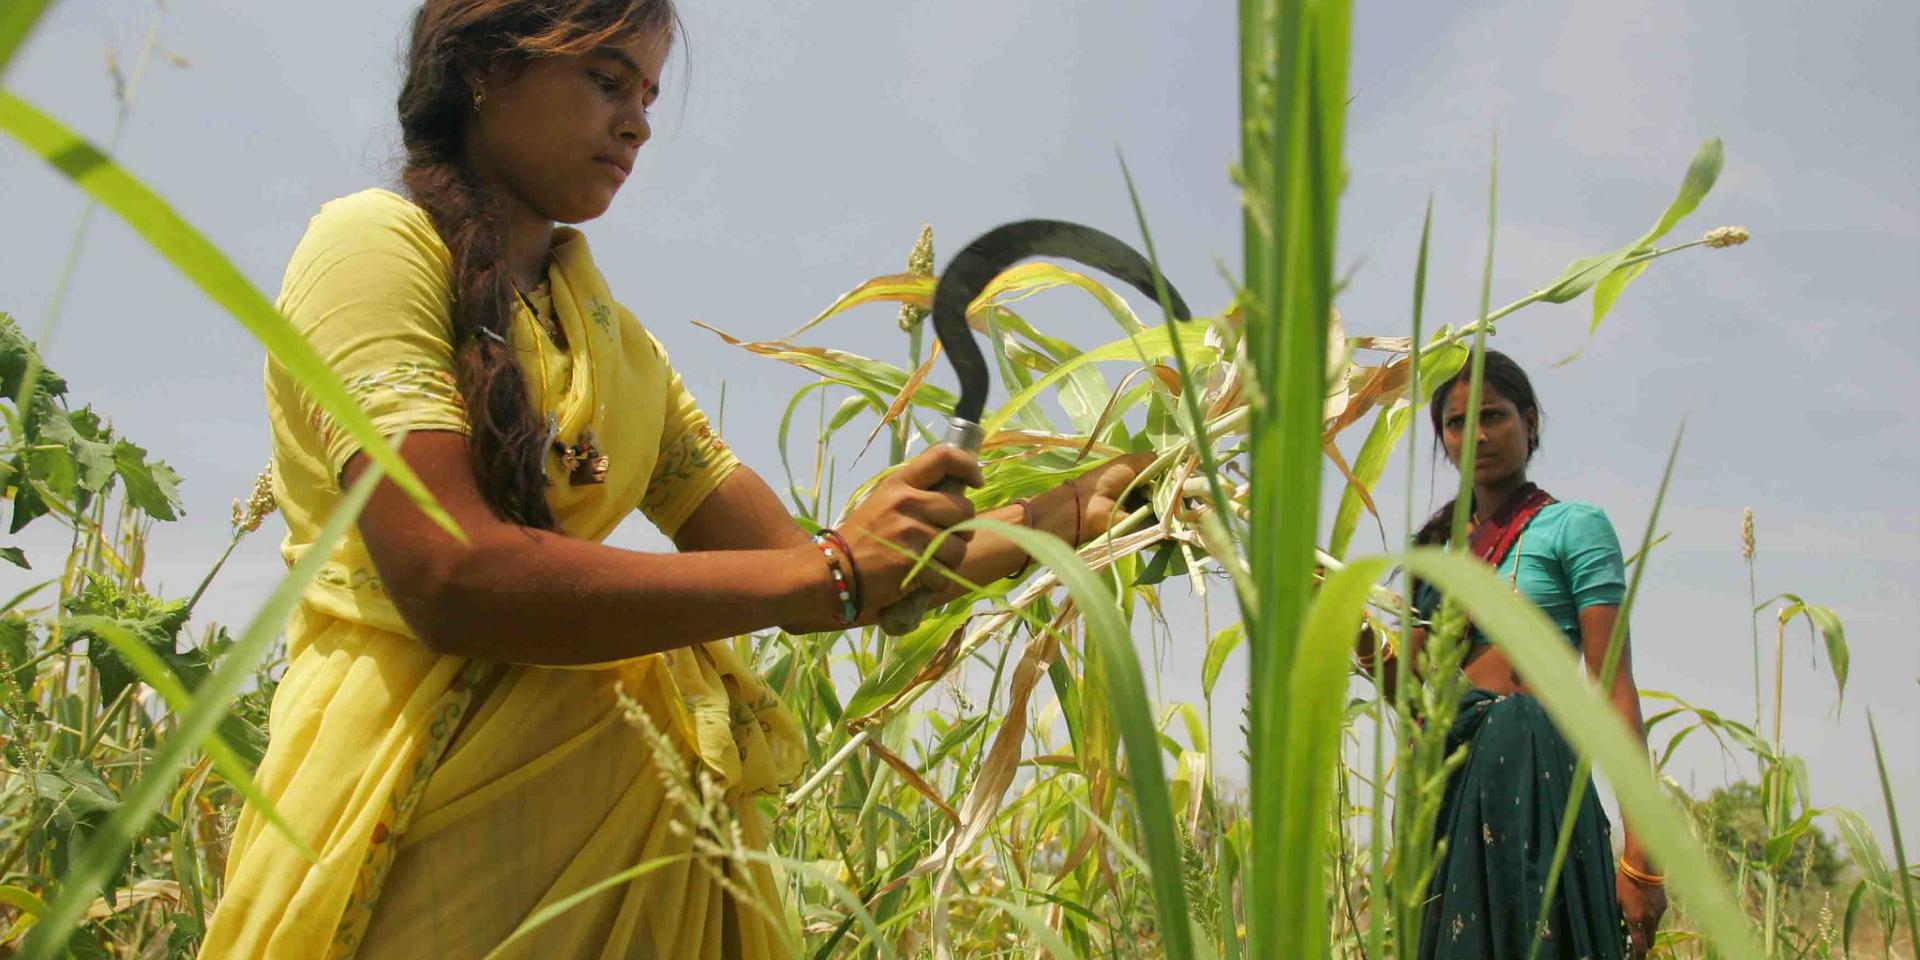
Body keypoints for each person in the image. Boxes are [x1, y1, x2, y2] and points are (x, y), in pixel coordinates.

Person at [198, 2, 1150, 957]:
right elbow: (452, 575)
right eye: (608, 82)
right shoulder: (375, 247)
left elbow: (821, 583)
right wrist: (836, 568)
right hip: (414, 827)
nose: (639, 123)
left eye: (648, 94)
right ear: (483, 70)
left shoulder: (623, 349)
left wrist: (1073, 509)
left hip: (618, 874)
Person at [1355, 350, 1668, 959]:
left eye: (1493, 416)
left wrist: (1642, 856)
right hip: (1448, 790)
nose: (1475, 436)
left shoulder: (1573, 528)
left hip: (1534, 779)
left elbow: (1614, 691)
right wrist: (1342, 619)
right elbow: (1412, 691)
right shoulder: (1435, 557)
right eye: (1454, 424)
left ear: (1530, 423)